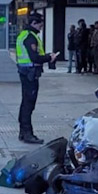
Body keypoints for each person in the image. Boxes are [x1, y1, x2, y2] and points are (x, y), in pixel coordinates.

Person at [16, 11, 58, 144]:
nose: (42, 27)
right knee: (29, 104)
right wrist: (49, 57)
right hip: (30, 73)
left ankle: (23, 132)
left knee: (26, 103)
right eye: (40, 24)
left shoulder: (25, 34)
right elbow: (34, 57)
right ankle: (27, 133)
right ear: (34, 23)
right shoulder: (30, 37)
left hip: (26, 72)